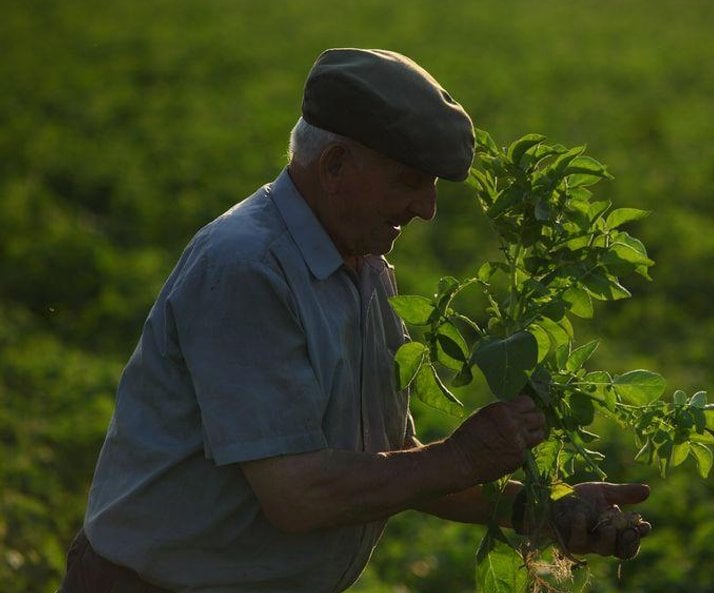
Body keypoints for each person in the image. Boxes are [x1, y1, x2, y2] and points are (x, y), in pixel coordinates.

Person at [59, 48, 651, 593]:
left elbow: (389, 460)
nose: (426, 208)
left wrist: (540, 508)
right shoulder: (246, 268)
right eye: (410, 180)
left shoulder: (361, 265)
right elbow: (300, 496)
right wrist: (464, 457)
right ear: (337, 165)